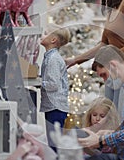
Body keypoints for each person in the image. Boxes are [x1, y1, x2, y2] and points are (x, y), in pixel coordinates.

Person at [65, 0, 124, 109]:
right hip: (113, 67)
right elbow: (103, 44)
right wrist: (74, 60)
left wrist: (114, 55)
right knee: (112, 113)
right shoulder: (113, 7)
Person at [39, 23, 70, 152]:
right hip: (53, 106)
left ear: (53, 40)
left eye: (45, 33)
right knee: (53, 141)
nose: (42, 35)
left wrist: (38, 82)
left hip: (55, 107)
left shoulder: (53, 59)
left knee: (54, 144)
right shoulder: (49, 57)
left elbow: (53, 84)